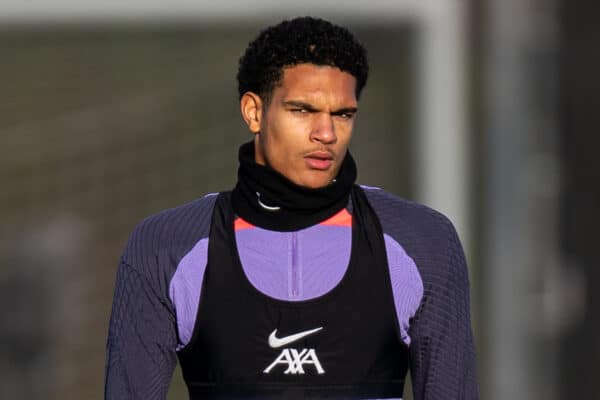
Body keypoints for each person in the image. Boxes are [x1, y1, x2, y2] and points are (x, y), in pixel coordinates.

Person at [105, 16, 478, 400]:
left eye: (342, 114)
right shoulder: (166, 248)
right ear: (253, 112)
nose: (327, 134)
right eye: (302, 110)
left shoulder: (422, 242)